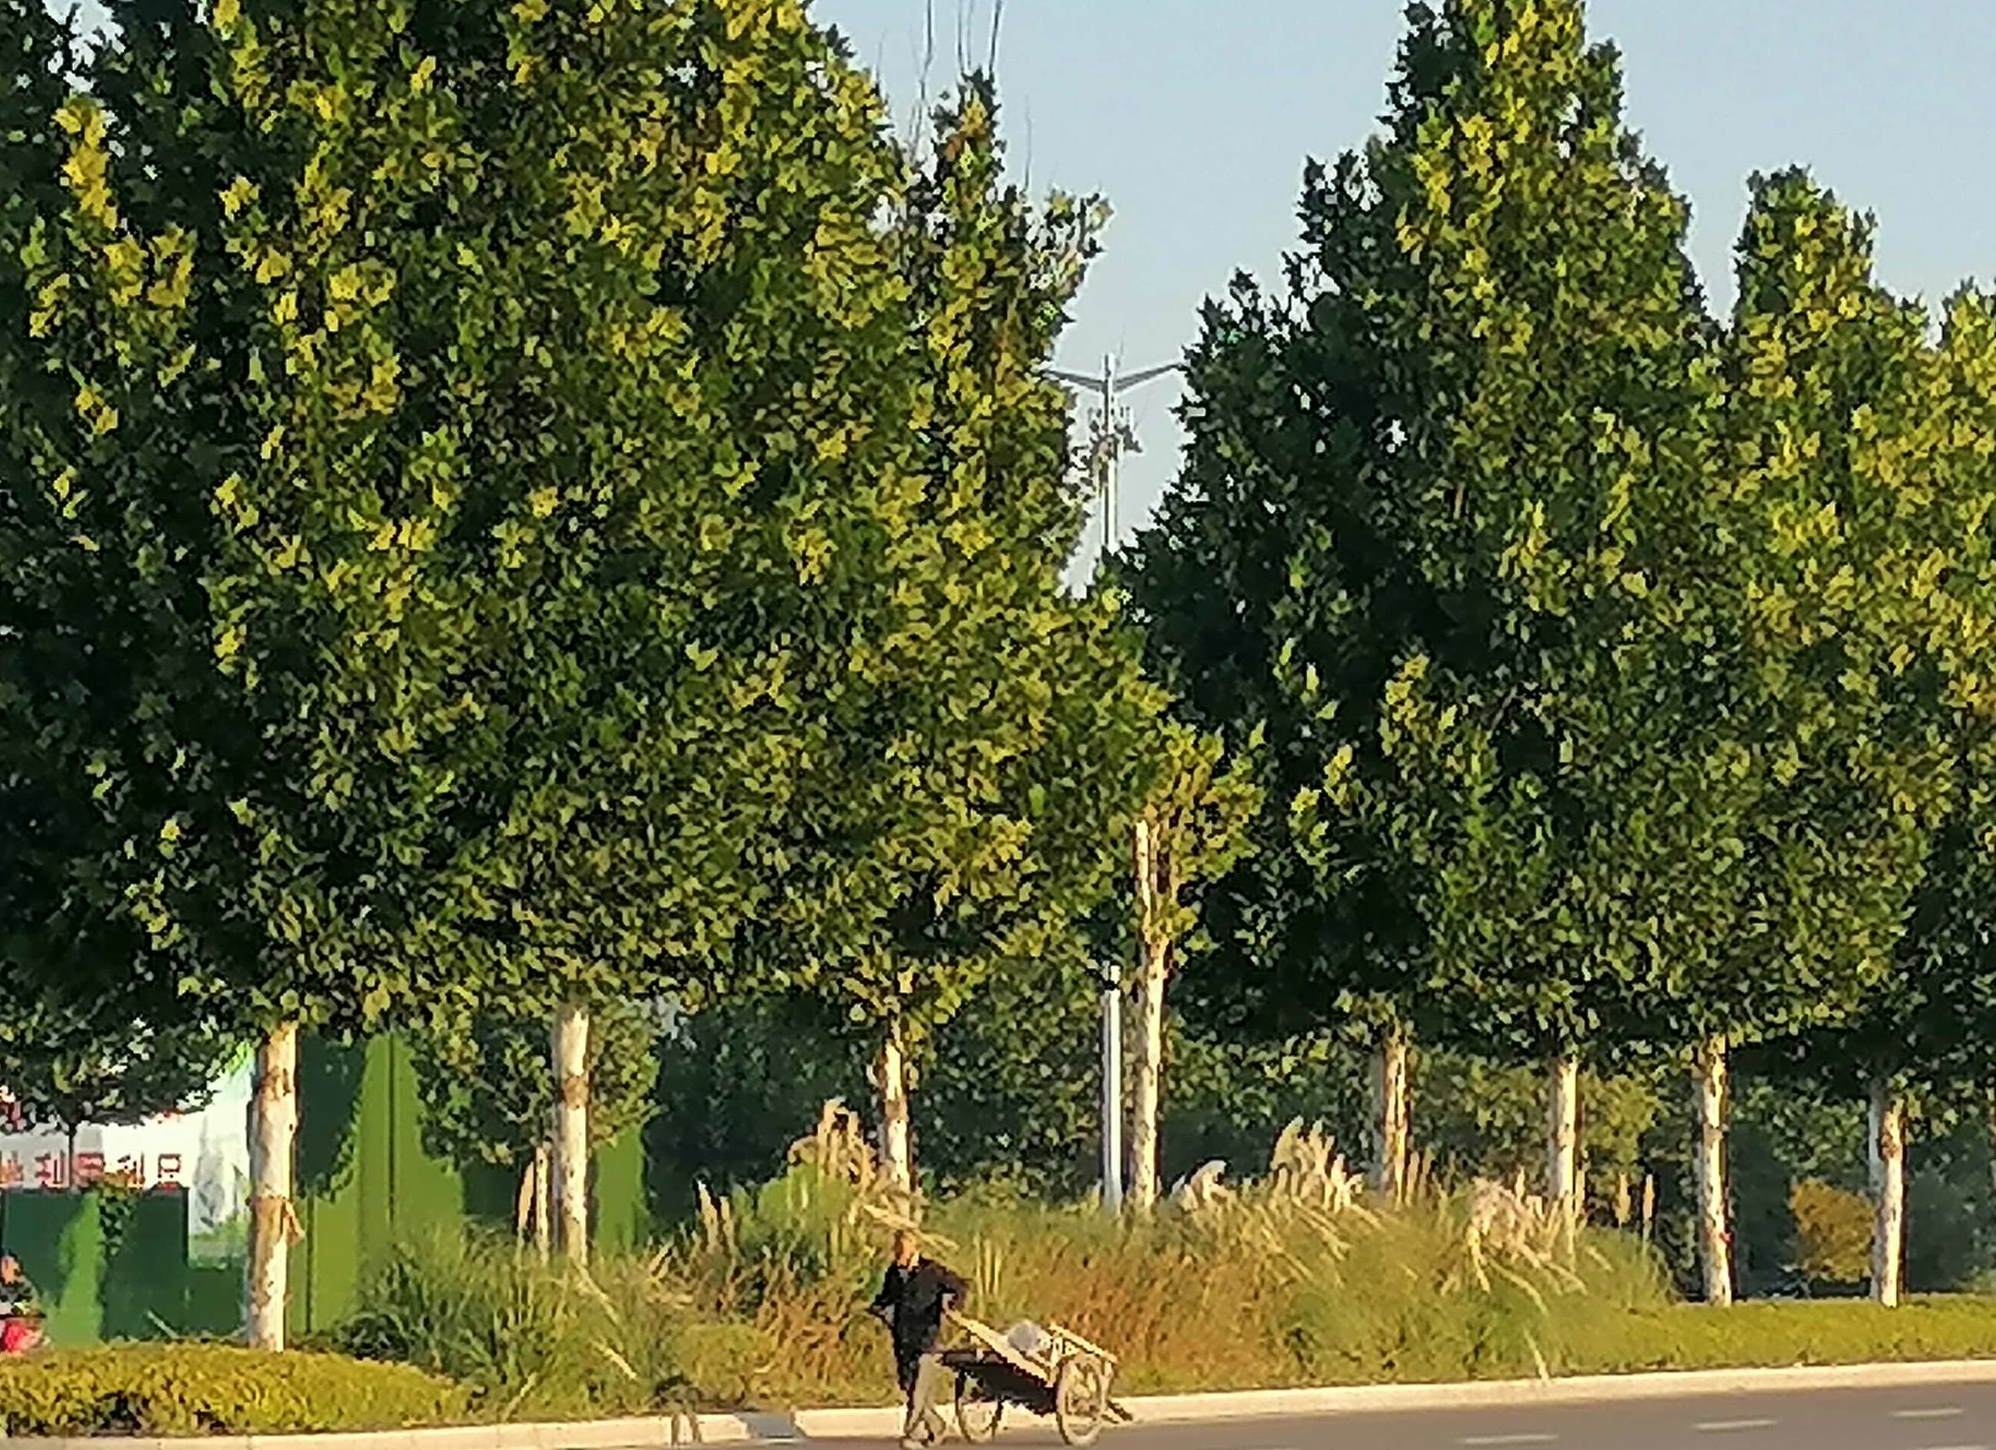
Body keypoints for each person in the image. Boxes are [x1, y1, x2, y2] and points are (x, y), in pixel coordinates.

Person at [868, 1229, 967, 1449]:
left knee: (920, 1389)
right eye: (896, 1248)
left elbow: (960, 1286)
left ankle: (911, 1433)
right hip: (903, 1337)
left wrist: (951, 1305)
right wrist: (877, 1308)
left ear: (914, 1247)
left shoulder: (932, 1271)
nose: (898, 1253)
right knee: (909, 1386)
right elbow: (886, 1296)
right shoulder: (894, 1272)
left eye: (902, 1248)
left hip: (926, 1338)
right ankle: (937, 1425)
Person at [0, 1253, 43, 1354]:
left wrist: (14, 1313)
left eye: (9, 1266)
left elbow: (32, 1309)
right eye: (4, 1265)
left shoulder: (25, 1287)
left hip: (18, 1328)